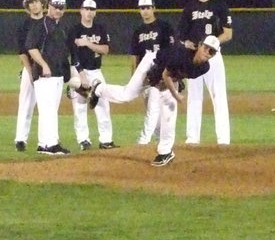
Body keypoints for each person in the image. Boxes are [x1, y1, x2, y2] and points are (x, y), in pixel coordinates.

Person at [83, 34, 221, 167]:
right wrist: (176, 94)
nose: (208, 52)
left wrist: (171, 85)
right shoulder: (182, 54)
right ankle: (98, 88)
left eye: (212, 51)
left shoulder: (204, 67)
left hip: (167, 73)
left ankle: (165, 152)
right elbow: (165, 75)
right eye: (206, 48)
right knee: (127, 94)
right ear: (200, 45)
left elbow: (176, 74)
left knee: (170, 110)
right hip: (152, 63)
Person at [177, 0, 233, 144]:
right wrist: (187, 44)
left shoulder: (220, 6)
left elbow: (228, 34)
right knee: (194, 97)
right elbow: (181, 35)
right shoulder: (189, 8)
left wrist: (213, 42)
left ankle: (223, 139)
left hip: (213, 56)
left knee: (219, 96)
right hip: (193, 57)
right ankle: (193, 138)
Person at [25, 0, 72, 156]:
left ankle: (44, 143)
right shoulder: (41, 25)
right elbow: (31, 47)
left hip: (57, 74)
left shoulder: (62, 27)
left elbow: (64, 53)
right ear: (49, 6)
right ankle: (50, 144)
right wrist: (43, 65)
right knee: (48, 110)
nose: (58, 10)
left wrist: (67, 75)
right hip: (45, 76)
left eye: (61, 7)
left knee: (51, 109)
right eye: (55, 6)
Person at [67, 0, 116, 150]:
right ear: (81, 11)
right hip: (78, 70)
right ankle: (83, 140)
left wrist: (88, 43)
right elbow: (73, 55)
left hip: (96, 71)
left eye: (92, 9)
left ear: (95, 12)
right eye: (86, 9)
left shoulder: (100, 29)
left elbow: (106, 50)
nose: (89, 12)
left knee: (103, 104)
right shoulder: (74, 30)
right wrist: (81, 75)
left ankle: (106, 140)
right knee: (80, 106)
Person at [130, 0, 175, 144]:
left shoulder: (164, 26)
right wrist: (136, 79)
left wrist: (174, 73)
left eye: (148, 7)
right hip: (145, 74)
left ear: (154, 8)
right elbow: (135, 57)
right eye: (142, 8)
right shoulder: (138, 32)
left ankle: (143, 140)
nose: (145, 11)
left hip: (161, 73)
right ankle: (159, 140)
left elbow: (173, 50)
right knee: (153, 109)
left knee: (154, 108)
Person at [14, 0, 46, 152]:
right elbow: (22, 52)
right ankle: (20, 139)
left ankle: (46, 139)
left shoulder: (49, 23)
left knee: (46, 106)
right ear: (28, 6)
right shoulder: (24, 26)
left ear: (42, 3)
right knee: (25, 104)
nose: (34, 5)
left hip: (48, 71)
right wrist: (29, 71)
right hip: (30, 68)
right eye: (31, 3)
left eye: (36, 1)